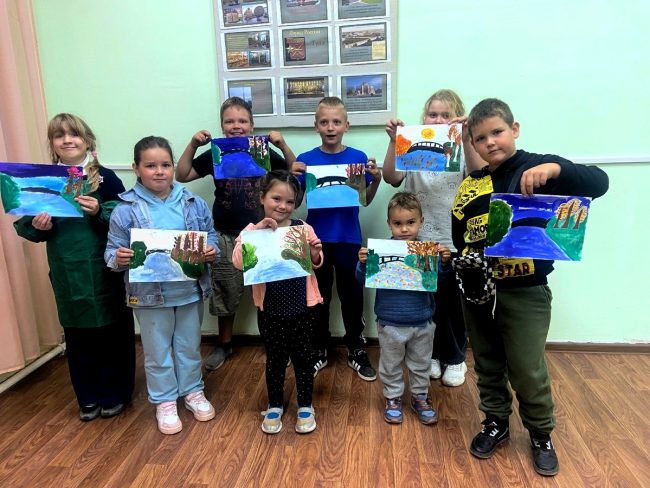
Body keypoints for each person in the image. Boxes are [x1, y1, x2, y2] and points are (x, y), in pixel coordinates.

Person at [452, 98, 609, 476]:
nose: (490, 142)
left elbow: (599, 182)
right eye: (480, 138)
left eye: (497, 132)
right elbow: (462, 233)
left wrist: (555, 169)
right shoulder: (472, 182)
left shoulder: (538, 166)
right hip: (477, 289)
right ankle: (495, 421)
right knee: (486, 361)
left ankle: (540, 433)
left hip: (525, 289)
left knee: (526, 366)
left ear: (515, 129)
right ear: (472, 144)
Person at [13, 113, 135, 421]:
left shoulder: (105, 178)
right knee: (78, 336)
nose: (67, 140)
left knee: (111, 333)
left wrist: (99, 210)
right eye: (59, 135)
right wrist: (39, 225)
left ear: (88, 141)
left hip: (105, 268)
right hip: (67, 271)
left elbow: (127, 217)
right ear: (52, 143)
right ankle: (87, 396)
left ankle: (114, 392)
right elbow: (26, 224)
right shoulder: (45, 181)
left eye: (74, 134)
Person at [105, 136, 219, 435]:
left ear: (173, 167)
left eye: (166, 165)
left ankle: (192, 391)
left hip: (189, 291)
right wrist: (119, 257)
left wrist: (212, 250)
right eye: (150, 166)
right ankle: (165, 400)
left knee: (189, 347)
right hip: (149, 296)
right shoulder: (125, 209)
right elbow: (111, 252)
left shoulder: (193, 203)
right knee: (157, 351)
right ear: (136, 168)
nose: (159, 171)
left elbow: (210, 235)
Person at [176, 96, 295, 371]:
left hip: (263, 234)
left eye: (242, 121)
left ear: (252, 126)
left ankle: (277, 343)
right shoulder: (216, 152)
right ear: (222, 126)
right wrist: (193, 144)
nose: (236, 126)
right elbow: (182, 174)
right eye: (229, 121)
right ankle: (224, 343)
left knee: (271, 291)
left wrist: (282, 145)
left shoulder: (262, 151)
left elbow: (294, 171)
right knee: (226, 290)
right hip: (226, 234)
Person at [382, 89, 485, 388]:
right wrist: (394, 142)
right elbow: (391, 178)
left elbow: (479, 175)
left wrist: (466, 137)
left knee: (453, 305)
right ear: (424, 118)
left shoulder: (462, 147)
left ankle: (455, 357)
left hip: (452, 240)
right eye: (433, 114)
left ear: (458, 118)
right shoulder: (412, 144)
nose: (438, 120)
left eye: (446, 115)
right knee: (427, 302)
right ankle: (432, 355)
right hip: (418, 239)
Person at [292, 96, 381, 381]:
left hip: (349, 239)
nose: (330, 127)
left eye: (336, 122)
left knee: (352, 297)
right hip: (316, 241)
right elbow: (295, 203)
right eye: (324, 122)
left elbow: (364, 200)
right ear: (316, 126)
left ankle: (356, 348)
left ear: (346, 125)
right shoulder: (306, 160)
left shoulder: (357, 158)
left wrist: (377, 179)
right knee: (319, 298)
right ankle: (319, 348)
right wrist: (293, 176)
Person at [232, 170, 323, 434]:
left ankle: (305, 404)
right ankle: (274, 404)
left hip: (303, 307)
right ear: (262, 197)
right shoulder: (251, 231)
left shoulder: (303, 228)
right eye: (276, 198)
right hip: (270, 308)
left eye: (290, 201)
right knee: (275, 358)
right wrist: (255, 232)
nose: (283, 206)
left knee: (303, 358)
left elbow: (317, 262)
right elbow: (239, 263)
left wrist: (315, 252)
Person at [356, 192, 452, 425]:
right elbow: (362, 280)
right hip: (389, 322)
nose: (405, 229)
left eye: (410, 222)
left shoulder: (428, 251)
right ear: (389, 224)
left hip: (422, 321)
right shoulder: (380, 251)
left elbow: (439, 280)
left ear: (421, 221)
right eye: (398, 223)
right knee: (390, 365)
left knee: (421, 364)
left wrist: (444, 263)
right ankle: (392, 398)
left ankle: (420, 397)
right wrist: (362, 264)